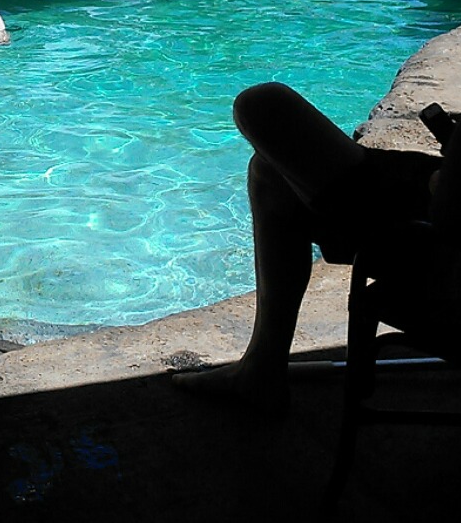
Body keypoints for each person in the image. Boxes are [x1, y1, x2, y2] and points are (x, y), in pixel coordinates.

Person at [173, 81, 461, 416]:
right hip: (439, 213)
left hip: (442, 249)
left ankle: (261, 371)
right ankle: (262, 368)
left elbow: (448, 214)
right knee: (270, 174)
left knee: (263, 106)